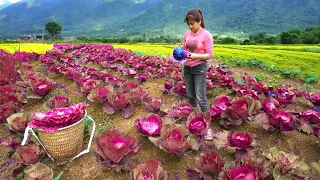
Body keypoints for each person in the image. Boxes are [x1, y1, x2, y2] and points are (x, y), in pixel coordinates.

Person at [182, 9, 213, 112]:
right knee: (190, 95)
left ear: (199, 22)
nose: (190, 27)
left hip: (199, 68)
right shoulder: (186, 34)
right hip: (187, 68)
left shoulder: (206, 35)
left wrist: (195, 56)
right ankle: (193, 116)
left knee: (201, 98)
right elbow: (184, 50)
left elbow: (209, 55)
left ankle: (207, 122)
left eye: (192, 24)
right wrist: (177, 53)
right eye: (188, 24)